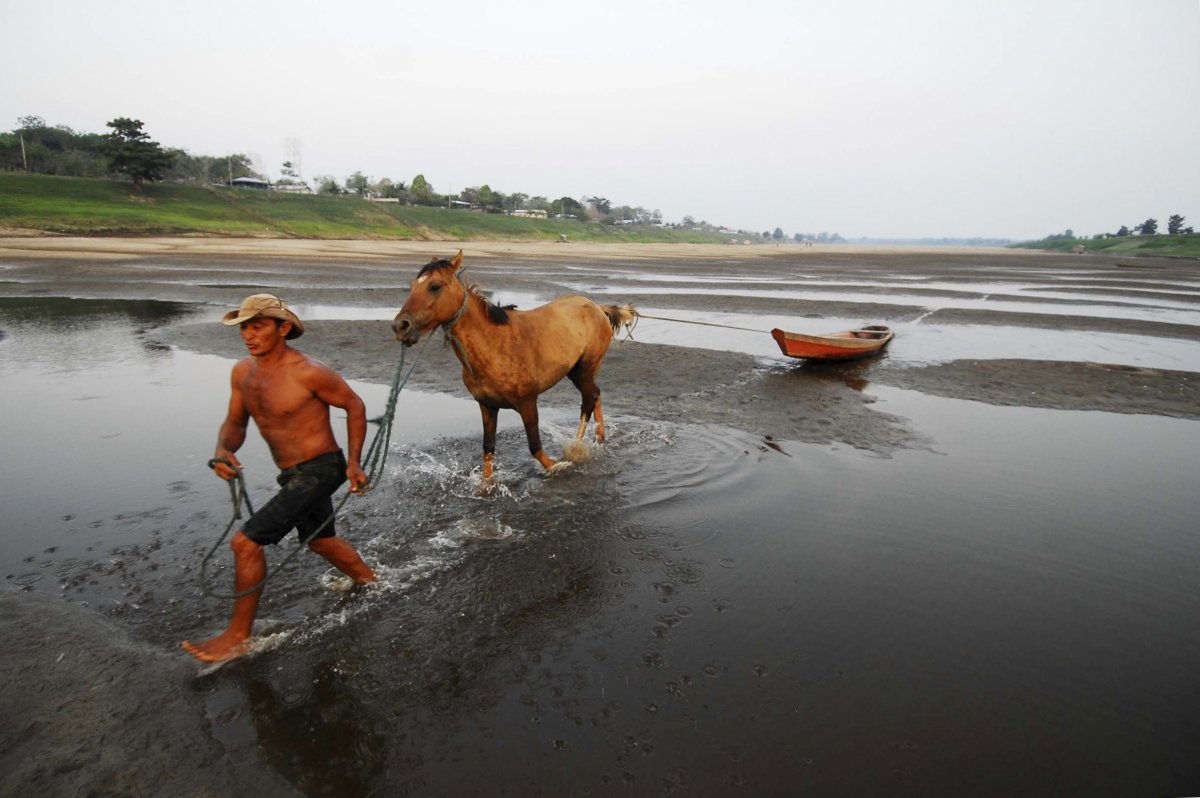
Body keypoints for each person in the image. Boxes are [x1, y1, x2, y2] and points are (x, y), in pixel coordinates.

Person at [182, 293, 376, 663]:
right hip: (292, 474)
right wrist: (224, 450)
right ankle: (371, 582)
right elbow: (235, 423)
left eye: (258, 326)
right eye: (244, 328)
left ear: (283, 328)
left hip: (322, 467)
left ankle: (238, 637)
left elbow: (354, 405)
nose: (248, 335)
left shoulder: (308, 371)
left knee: (245, 544)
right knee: (321, 541)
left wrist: (354, 462)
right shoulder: (242, 373)